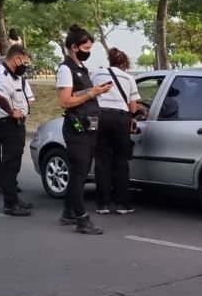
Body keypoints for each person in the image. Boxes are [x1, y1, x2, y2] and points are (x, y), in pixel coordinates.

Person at [55, 26, 112, 235]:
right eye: (85, 47)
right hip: (76, 128)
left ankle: (68, 211)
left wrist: (96, 90)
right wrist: (92, 93)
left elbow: (81, 92)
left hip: (90, 126)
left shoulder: (81, 68)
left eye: (90, 47)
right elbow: (65, 101)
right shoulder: (65, 70)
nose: (88, 51)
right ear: (73, 47)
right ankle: (81, 218)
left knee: (81, 171)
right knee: (79, 173)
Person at [0, 45, 34, 216]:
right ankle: (10, 204)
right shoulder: (1, 75)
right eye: (25, 62)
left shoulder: (14, 77)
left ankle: (14, 199)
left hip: (15, 124)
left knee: (14, 164)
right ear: (17, 59)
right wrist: (11, 111)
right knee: (9, 164)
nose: (25, 66)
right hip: (7, 124)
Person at [91, 48, 140, 216]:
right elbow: (132, 107)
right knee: (120, 161)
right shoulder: (128, 77)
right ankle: (122, 204)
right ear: (124, 64)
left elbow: (90, 95)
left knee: (102, 160)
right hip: (120, 119)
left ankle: (103, 204)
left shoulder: (96, 74)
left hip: (99, 117)